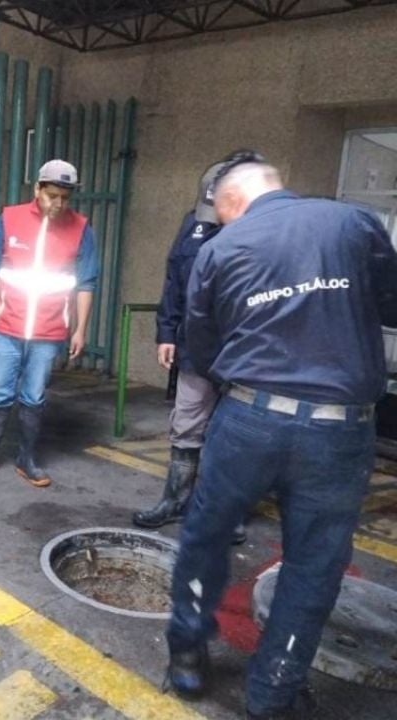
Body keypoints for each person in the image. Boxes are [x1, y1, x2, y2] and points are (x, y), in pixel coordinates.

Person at [164, 150, 397, 719]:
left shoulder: (219, 249)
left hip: (249, 418)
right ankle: (273, 690)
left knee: (207, 536)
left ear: (230, 203)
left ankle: (188, 657)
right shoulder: (354, 223)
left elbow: (204, 343)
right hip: (341, 430)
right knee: (313, 565)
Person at [0, 159, 99, 488]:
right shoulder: (10, 218)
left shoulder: (81, 228)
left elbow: (86, 283)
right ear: (37, 189)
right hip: (8, 326)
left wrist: (80, 328)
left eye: (65, 198)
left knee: (34, 397)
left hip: (49, 331)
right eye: (52, 195)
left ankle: (27, 459)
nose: (58, 204)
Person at [134, 161, 246, 544]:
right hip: (196, 350)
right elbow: (174, 281)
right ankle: (175, 501)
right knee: (186, 426)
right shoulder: (193, 225)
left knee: (233, 436)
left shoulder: (263, 232)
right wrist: (166, 333)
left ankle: (224, 515)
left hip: (243, 356)